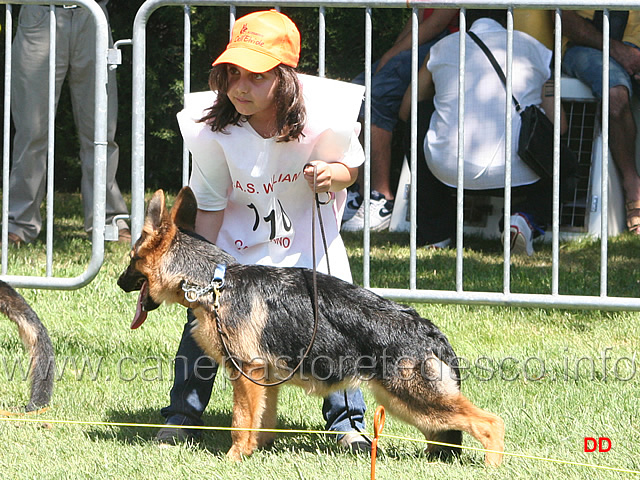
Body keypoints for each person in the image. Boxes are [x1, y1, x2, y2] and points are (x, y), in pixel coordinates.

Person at [158, 10, 370, 453]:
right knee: (204, 321)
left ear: (284, 76)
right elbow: (212, 203)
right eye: (232, 73)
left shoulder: (321, 118)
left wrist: (333, 173)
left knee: (334, 325)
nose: (239, 86)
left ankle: (347, 424)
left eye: (254, 76)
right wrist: (204, 268)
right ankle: (181, 416)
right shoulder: (214, 130)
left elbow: (352, 165)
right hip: (239, 255)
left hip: (309, 249)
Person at [399, 9, 564, 254]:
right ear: (508, 14)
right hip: (522, 174)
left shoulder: (443, 47)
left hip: (449, 172)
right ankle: (525, 218)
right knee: (564, 162)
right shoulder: (535, 48)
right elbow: (560, 125)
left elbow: (405, 111)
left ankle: (436, 232)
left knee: (419, 117)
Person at [7, 2, 129, 246]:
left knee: (100, 130)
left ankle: (107, 220)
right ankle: (19, 223)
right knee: (32, 131)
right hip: (39, 13)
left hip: (91, 14)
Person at [341, 9, 458, 232]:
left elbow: (435, 24)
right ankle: (361, 193)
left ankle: (382, 197)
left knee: (377, 95)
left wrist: (392, 55)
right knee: (356, 93)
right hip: (425, 42)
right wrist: (395, 52)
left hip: (447, 42)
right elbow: (417, 16)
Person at [562, 10, 640, 235]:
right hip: (586, 48)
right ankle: (631, 184)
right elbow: (565, 20)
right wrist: (619, 51)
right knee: (615, 92)